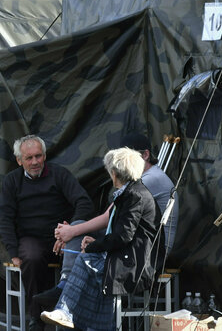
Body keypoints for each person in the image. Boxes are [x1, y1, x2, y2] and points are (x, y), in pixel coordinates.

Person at [35, 132, 176, 313]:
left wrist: (74, 233)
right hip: (135, 242)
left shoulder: (146, 182)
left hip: (145, 251)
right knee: (81, 237)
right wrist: (75, 232)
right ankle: (66, 294)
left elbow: (111, 219)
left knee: (84, 252)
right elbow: (119, 224)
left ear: (144, 156)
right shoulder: (134, 186)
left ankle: (67, 302)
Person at [0, 134, 93, 329]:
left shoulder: (59, 174)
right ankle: (36, 317)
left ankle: (74, 316)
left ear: (45, 156)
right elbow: (4, 218)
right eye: (29, 158)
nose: (35, 162)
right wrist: (13, 253)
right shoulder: (12, 181)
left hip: (62, 237)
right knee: (30, 257)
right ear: (19, 160)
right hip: (31, 238)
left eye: (38, 156)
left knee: (86, 253)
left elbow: (84, 202)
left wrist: (70, 230)